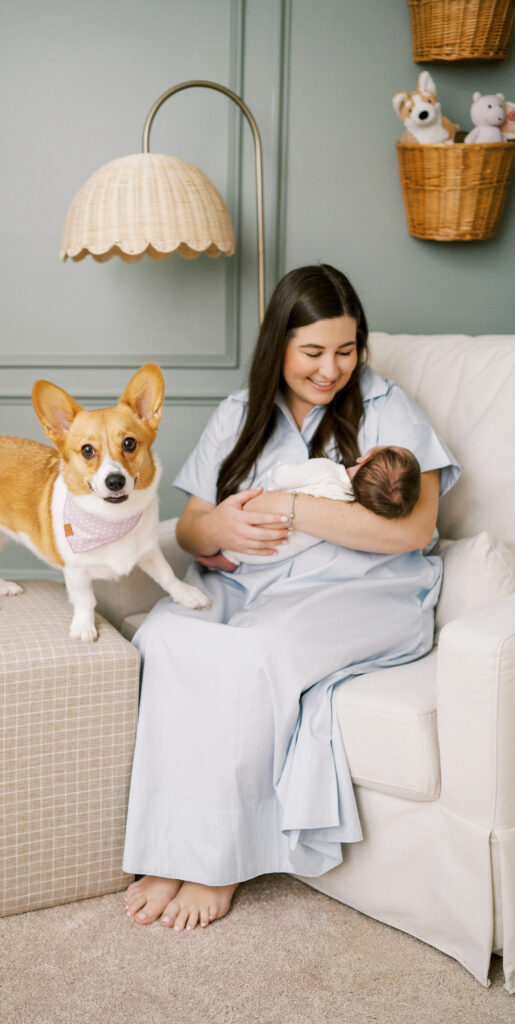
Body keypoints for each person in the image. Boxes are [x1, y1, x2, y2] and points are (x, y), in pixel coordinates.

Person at [122, 264, 459, 933]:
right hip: (247, 579)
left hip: (361, 589)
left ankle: (215, 859)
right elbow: (190, 526)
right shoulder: (238, 414)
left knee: (252, 654)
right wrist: (217, 526)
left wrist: (292, 507)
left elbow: (414, 528)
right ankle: (166, 846)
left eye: (345, 350)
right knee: (162, 637)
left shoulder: (388, 407)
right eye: (312, 352)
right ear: (277, 344)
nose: (329, 369)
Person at [199, 445, 422, 571]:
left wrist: (279, 468)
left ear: (367, 457)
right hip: (275, 553)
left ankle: (229, 557)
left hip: (254, 525)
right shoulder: (349, 509)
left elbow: (284, 476)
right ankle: (231, 560)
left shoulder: (327, 471)